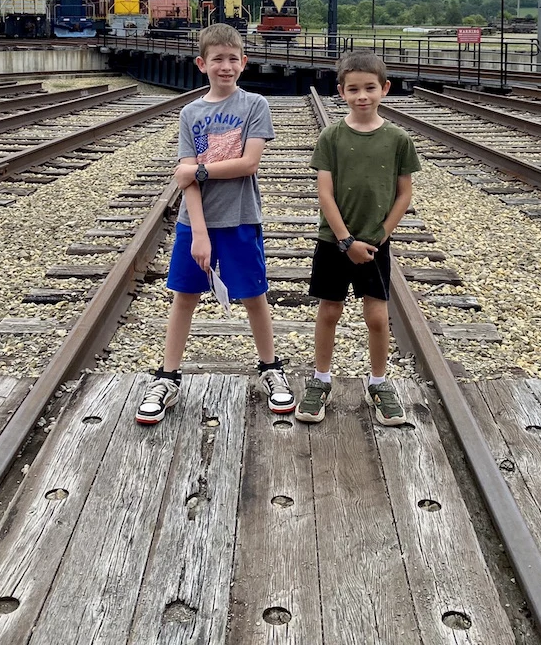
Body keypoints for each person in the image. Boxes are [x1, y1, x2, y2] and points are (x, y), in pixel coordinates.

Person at [136, 23, 295, 424]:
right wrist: (199, 232)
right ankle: (168, 376)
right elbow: (183, 179)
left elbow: (247, 163)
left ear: (244, 62)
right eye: (217, 59)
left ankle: (270, 367)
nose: (225, 67)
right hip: (197, 223)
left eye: (232, 59)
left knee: (254, 295)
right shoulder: (191, 113)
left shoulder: (253, 105)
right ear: (201, 64)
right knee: (184, 297)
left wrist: (199, 172)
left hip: (241, 218)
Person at [295, 49, 420, 426]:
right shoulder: (331, 137)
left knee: (377, 316)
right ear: (341, 92)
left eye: (369, 88)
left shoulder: (398, 139)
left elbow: (404, 193)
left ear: (385, 88)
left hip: (375, 243)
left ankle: (379, 382)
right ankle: (320, 379)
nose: (362, 96)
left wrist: (379, 236)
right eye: (354, 89)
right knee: (329, 310)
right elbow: (325, 194)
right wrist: (346, 240)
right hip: (334, 242)